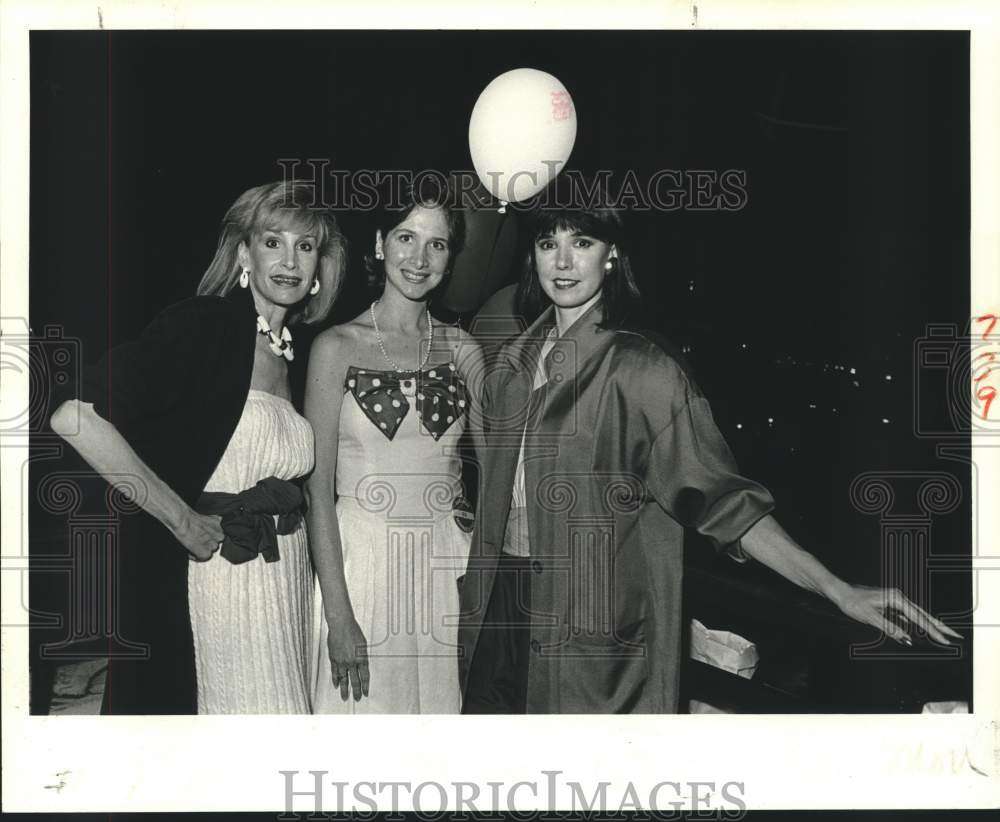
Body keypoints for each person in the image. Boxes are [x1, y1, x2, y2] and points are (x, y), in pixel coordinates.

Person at [458, 200, 962, 714]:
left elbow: (724, 503)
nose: (563, 262)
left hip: (585, 644)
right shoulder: (513, 363)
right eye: (549, 244)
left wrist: (835, 588)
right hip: (497, 616)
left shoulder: (644, 371)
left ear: (612, 255)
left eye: (582, 243)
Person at [49, 180, 347, 714]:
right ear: (243, 255)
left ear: (320, 267)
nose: (289, 260)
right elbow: (75, 417)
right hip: (218, 588)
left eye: (305, 246)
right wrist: (180, 518)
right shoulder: (206, 325)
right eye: (272, 241)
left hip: (282, 586)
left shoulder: (288, 354)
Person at [307, 178, 485, 713]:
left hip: (445, 570)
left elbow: (505, 460)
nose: (420, 258)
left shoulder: (463, 348)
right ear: (381, 243)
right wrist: (339, 614)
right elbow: (317, 494)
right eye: (407, 238)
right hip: (361, 568)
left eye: (437, 244)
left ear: (450, 259)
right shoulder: (335, 346)